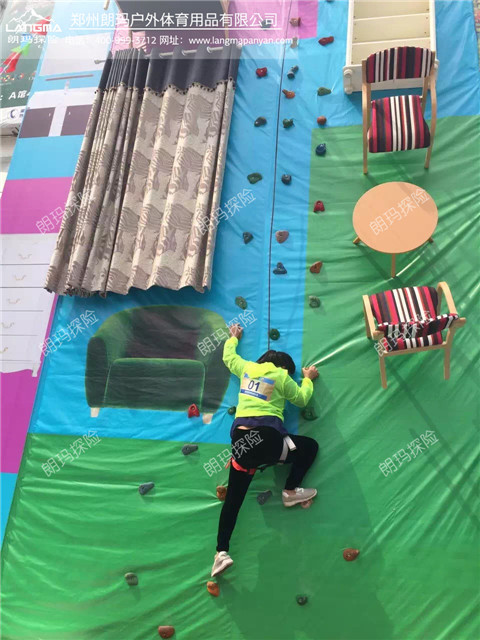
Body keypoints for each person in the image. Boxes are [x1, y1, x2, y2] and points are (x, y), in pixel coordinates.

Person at [211, 323, 319, 578]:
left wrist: (233, 338)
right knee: (309, 447)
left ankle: (220, 553)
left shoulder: (247, 368)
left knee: (233, 501)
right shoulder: (281, 376)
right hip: (269, 440)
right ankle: (290, 490)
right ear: (285, 368)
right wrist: (307, 378)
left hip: (241, 444)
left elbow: (229, 358)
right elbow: (302, 399)